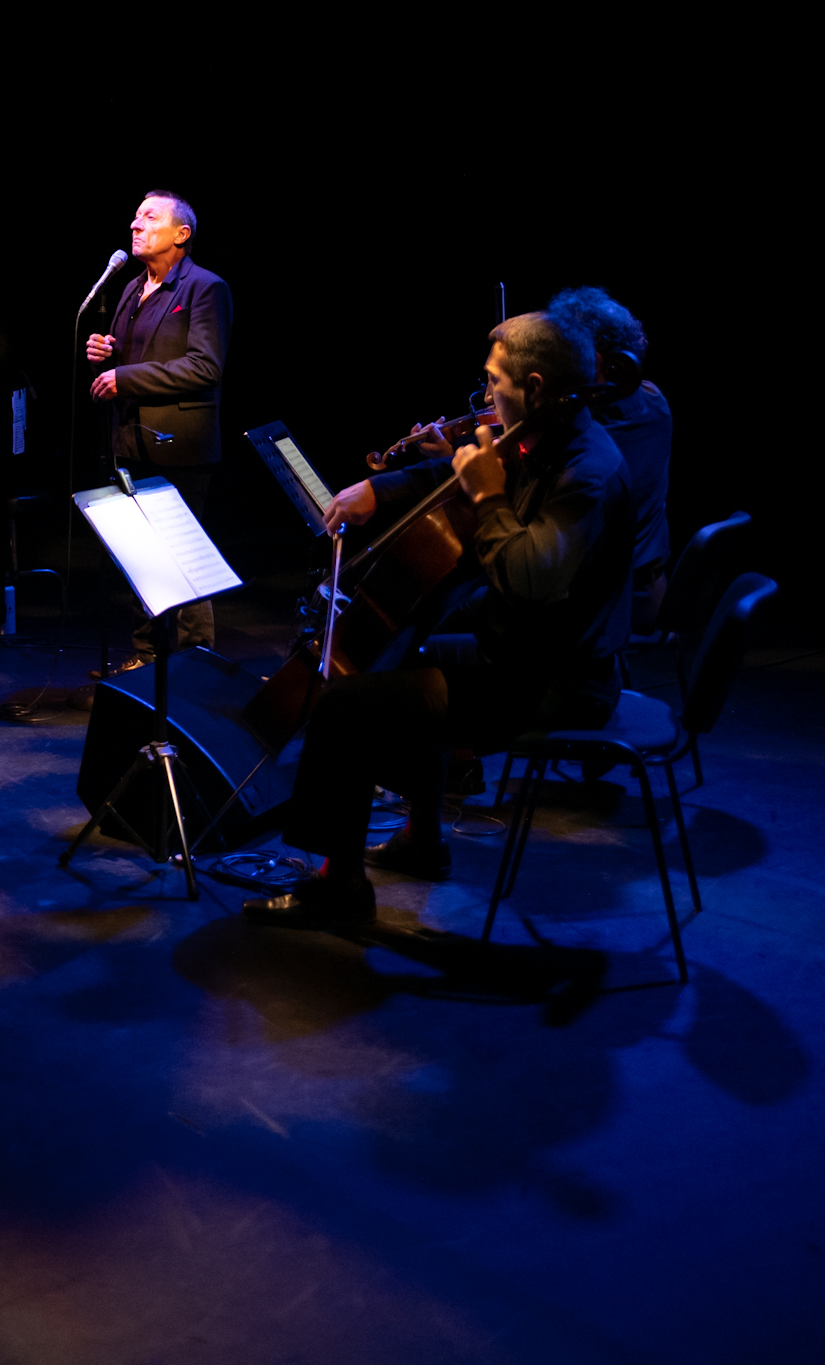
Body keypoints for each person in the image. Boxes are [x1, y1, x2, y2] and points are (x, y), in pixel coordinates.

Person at [245, 312, 634, 930]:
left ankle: (339, 889)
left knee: (344, 705)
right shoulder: (547, 436)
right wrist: (382, 489)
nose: (485, 399)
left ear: (534, 387)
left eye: (493, 382)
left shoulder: (587, 471)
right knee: (409, 653)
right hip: (524, 654)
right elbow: (455, 470)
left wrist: (489, 496)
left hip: (555, 683)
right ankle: (421, 840)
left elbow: (528, 581)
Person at [84, 190, 232, 673]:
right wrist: (106, 354)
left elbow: (204, 366)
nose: (135, 224)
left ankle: (195, 663)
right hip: (130, 441)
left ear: (181, 234)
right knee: (143, 558)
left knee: (182, 558)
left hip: (180, 446)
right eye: (135, 216)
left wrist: (125, 377)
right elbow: (132, 359)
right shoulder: (131, 288)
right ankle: (147, 656)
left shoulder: (205, 288)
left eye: (149, 217)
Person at [547, 286, 672, 632]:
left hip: (609, 606)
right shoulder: (656, 401)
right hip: (650, 592)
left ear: (595, 361)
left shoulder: (587, 435)